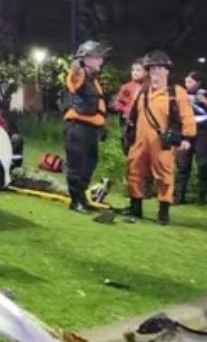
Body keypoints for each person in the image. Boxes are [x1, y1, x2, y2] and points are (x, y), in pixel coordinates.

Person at [124, 52, 196, 225]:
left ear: (167, 71)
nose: (155, 72)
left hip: (163, 142)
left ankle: (163, 212)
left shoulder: (176, 92)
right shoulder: (142, 91)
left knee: (164, 175)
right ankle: (135, 207)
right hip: (140, 140)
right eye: (152, 69)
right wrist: (128, 135)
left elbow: (187, 116)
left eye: (159, 68)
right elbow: (132, 115)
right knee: (134, 171)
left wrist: (187, 137)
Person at [61, 40, 111, 213]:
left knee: (90, 163)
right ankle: (76, 201)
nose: (101, 61)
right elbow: (74, 74)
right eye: (98, 58)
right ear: (87, 59)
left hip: (90, 129)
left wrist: (103, 125)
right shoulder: (79, 74)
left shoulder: (93, 80)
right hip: (77, 128)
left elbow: (98, 106)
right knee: (77, 165)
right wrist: (78, 62)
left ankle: (81, 198)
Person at [175, 72, 207, 206]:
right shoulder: (182, 96)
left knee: (203, 165)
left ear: (198, 83)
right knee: (182, 165)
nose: (187, 85)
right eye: (186, 82)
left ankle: (202, 196)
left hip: (204, 133)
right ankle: (179, 196)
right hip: (186, 133)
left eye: (190, 82)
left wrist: (206, 104)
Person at [111, 60, 147, 154]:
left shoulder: (148, 87)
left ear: (146, 72)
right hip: (126, 119)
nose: (135, 72)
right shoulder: (126, 87)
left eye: (138, 70)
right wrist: (124, 110)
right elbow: (117, 103)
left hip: (142, 119)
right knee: (126, 141)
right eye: (133, 70)